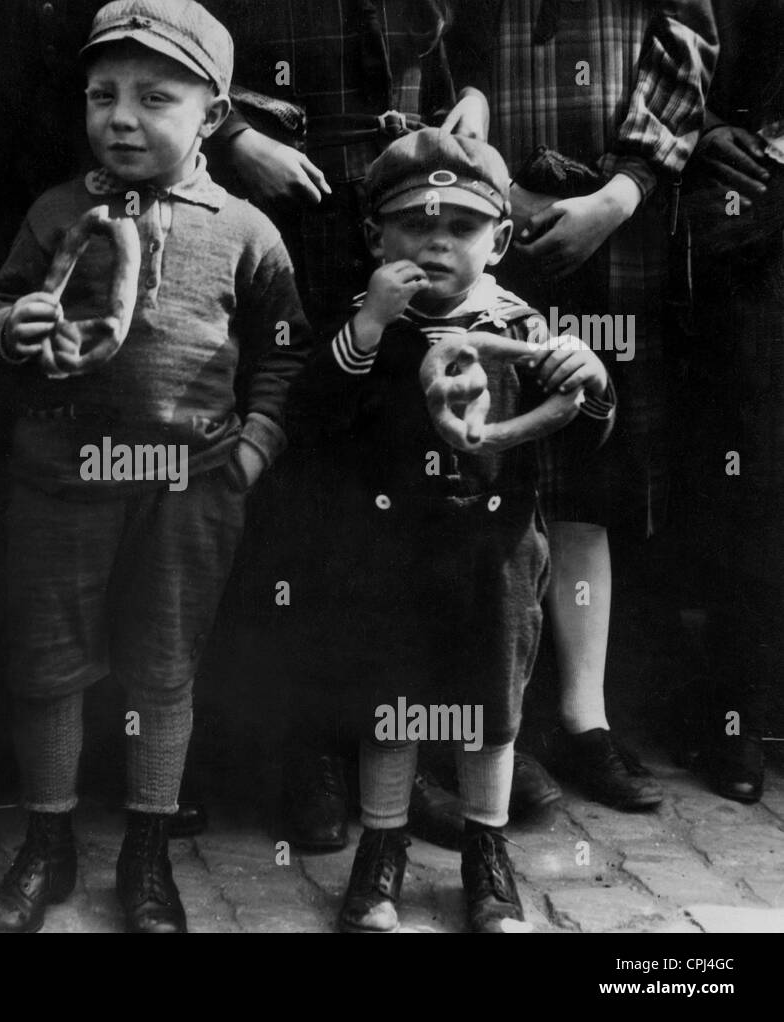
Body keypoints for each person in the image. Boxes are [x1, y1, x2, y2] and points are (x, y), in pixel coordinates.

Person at [0, 0, 309, 934]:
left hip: (188, 488)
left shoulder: (246, 231)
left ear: (212, 115)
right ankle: (48, 845)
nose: (120, 116)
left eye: (153, 97)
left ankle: (149, 852)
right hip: (60, 476)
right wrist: (10, 329)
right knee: (47, 665)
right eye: (102, 94)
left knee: (164, 672)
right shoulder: (56, 212)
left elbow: (286, 350)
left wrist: (251, 450)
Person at [286, 128, 616, 932]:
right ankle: (382, 846)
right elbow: (313, 418)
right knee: (392, 699)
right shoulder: (369, 325)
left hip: (495, 550)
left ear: (498, 241)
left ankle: (486, 849)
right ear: (375, 237)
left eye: (462, 227)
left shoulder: (526, 328)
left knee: (488, 704)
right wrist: (367, 326)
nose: (436, 241)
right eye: (412, 224)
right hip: (389, 548)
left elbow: (582, 432)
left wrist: (594, 381)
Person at [446, 0, 718, 812]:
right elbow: (449, 45)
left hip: (612, 218)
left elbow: (687, 48)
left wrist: (621, 194)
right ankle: (504, 726)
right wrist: (496, 192)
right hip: (494, 217)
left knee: (591, 458)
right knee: (491, 457)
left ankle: (583, 719)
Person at [679, 0, 782, 803]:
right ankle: (736, 716)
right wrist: (709, 130)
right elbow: (666, 67)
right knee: (748, 474)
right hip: (751, 229)